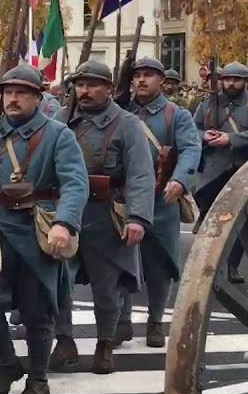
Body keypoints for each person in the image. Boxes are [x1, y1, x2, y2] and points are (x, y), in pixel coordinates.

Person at [0, 65, 88, 394]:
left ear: (38, 98)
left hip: (36, 228)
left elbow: (74, 183)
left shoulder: (58, 134)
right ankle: (9, 363)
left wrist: (65, 222)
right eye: (8, 92)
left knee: (37, 308)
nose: (13, 98)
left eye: (21, 92)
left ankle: (38, 378)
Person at [51, 60, 153, 374]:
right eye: (80, 84)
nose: (84, 91)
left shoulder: (127, 124)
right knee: (58, 283)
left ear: (109, 88)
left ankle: (105, 343)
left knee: (106, 289)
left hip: (105, 213)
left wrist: (136, 217)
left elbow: (140, 174)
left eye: (92, 84)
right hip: (65, 212)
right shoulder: (60, 120)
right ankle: (63, 339)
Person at [114, 57, 200, 348]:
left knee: (160, 264)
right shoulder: (121, 110)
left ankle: (155, 321)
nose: (141, 80)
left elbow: (190, 148)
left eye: (148, 75)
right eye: (137, 75)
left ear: (161, 81)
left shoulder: (176, 115)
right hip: (124, 198)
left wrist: (180, 179)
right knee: (122, 261)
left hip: (161, 198)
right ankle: (122, 321)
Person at [193, 62, 248, 283]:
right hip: (214, 169)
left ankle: (232, 266)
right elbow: (192, 128)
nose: (231, 83)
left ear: (245, 81)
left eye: (237, 79)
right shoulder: (208, 104)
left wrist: (232, 139)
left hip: (243, 170)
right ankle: (206, 266)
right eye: (228, 79)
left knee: (240, 226)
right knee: (212, 223)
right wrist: (204, 136)